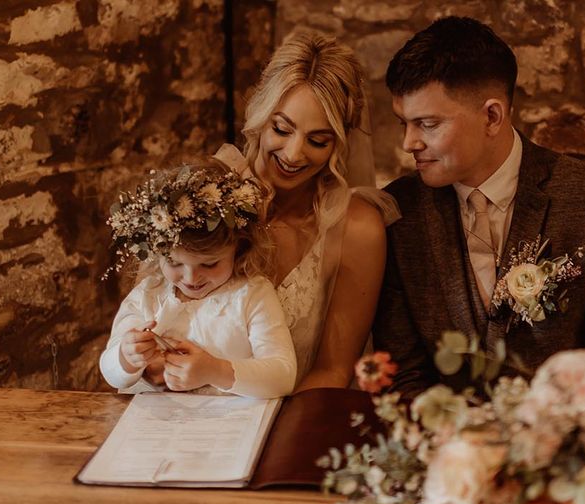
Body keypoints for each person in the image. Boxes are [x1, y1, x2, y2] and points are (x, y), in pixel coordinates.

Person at [373, 16, 585, 398]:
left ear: (492, 116)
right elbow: (402, 374)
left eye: (427, 124)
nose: (409, 143)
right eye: (403, 123)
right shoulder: (399, 213)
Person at [213, 30, 399, 391]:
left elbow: (332, 372)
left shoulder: (357, 230)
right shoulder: (207, 196)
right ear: (259, 115)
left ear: (340, 143)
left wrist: (266, 433)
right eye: (282, 129)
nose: (295, 154)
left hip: (296, 418)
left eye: (318, 140)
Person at [99, 163, 297, 397]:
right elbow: (110, 372)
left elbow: (283, 375)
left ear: (239, 248)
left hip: (227, 423)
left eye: (209, 264)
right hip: (154, 422)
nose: (191, 277)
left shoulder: (252, 295)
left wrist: (215, 371)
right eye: (174, 263)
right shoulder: (149, 294)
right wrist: (126, 356)